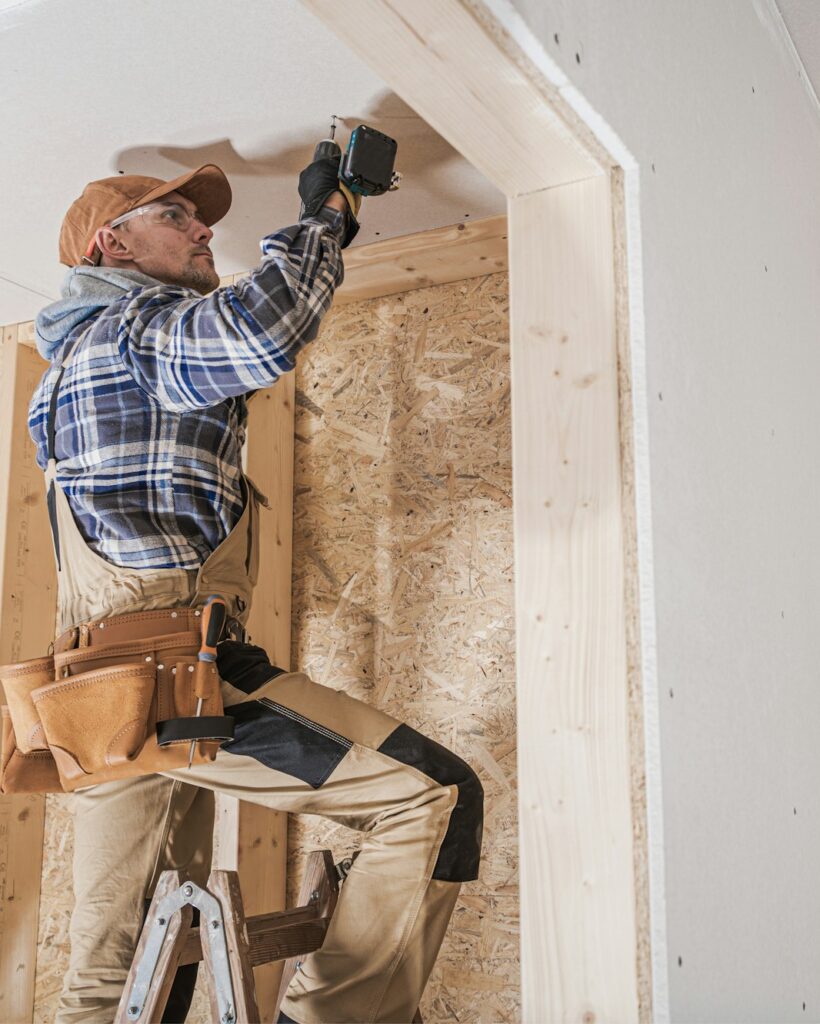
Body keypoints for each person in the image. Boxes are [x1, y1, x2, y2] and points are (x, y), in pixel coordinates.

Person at [27, 159, 483, 1024]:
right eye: (176, 217)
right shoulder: (132, 329)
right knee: (432, 796)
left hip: (99, 700)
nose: (204, 231)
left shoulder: (72, 372)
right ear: (109, 245)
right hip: (176, 675)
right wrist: (327, 215)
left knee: (120, 972)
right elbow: (261, 331)